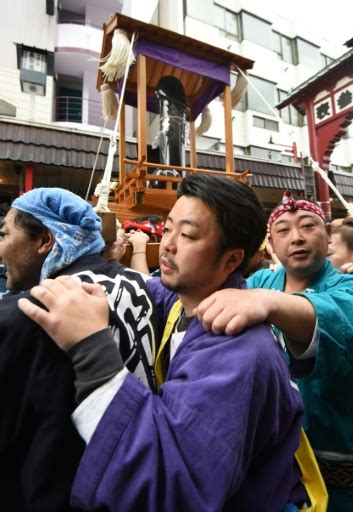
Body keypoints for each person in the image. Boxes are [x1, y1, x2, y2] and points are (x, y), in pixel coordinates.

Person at [19, 174, 312, 512]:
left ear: (232, 260)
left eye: (187, 235)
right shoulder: (180, 300)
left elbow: (169, 487)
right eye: (168, 227)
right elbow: (141, 286)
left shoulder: (238, 353)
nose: (169, 244)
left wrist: (91, 349)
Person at [194, 190, 353, 512]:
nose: (296, 237)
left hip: (345, 482)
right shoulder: (259, 281)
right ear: (270, 243)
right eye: (283, 230)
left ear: (329, 237)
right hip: (275, 475)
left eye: (308, 226)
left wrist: (268, 303)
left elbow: (343, 317)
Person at [0, 187, 158, 510]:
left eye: (4, 234)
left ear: (45, 241)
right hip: (139, 478)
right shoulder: (142, 286)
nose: (0, 249)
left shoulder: (33, 312)